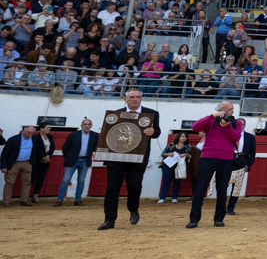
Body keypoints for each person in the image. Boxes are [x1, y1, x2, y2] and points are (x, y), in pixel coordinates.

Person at [99, 88, 160, 230]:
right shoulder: (115, 114)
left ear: (141, 99)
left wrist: (153, 132)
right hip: (116, 157)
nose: (135, 99)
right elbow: (108, 135)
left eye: (138, 97)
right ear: (125, 99)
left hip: (138, 157)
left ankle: (133, 208)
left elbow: (157, 131)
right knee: (112, 188)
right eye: (132, 97)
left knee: (134, 186)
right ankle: (109, 219)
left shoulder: (152, 114)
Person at [187, 101, 244, 228]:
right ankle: (194, 219)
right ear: (221, 110)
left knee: (222, 189)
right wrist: (212, 116)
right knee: (200, 188)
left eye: (232, 109)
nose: (232, 111)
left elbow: (235, 138)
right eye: (229, 109)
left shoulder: (236, 122)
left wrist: (227, 126)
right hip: (208, 157)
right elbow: (195, 127)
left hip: (226, 158)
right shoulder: (210, 120)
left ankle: (219, 218)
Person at [56, 118, 99, 206]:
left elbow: (95, 147)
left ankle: (78, 199)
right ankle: (59, 200)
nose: (87, 126)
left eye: (89, 124)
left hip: (85, 160)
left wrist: (94, 153)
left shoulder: (95, 135)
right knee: (65, 180)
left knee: (81, 180)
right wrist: (68, 157)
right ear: (81, 126)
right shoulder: (74, 134)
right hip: (72, 160)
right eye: (85, 124)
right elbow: (65, 147)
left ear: (91, 126)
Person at [1, 125, 45, 207]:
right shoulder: (13, 139)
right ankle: (6, 201)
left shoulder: (33, 139)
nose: (30, 135)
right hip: (14, 163)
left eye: (32, 134)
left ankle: (24, 200)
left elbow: (35, 151)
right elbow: (4, 153)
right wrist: (3, 165)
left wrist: (33, 162)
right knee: (10, 182)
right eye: (28, 133)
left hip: (27, 163)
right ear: (23, 131)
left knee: (27, 182)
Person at [224, 128, 256, 215]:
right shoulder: (228, 133)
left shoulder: (250, 137)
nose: (241, 126)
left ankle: (230, 207)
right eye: (239, 124)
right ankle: (221, 207)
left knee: (236, 187)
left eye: (243, 124)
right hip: (227, 162)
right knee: (223, 185)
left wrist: (248, 164)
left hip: (241, 165)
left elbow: (252, 153)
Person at [157, 132, 191, 204]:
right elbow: (163, 154)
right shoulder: (171, 145)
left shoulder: (188, 146)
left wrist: (185, 155)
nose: (184, 138)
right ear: (178, 137)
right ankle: (162, 198)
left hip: (180, 166)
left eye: (185, 137)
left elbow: (190, 156)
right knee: (166, 181)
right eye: (182, 136)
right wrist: (168, 154)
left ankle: (174, 198)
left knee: (177, 182)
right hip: (168, 165)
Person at [29, 123, 57, 203]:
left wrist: (48, 157)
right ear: (41, 129)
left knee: (41, 179)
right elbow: (35, 149)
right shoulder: (35, 137)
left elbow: (52, 148)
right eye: (47, 128)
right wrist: (43, 157)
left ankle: (35, 197)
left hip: (45, 161)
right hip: (37, 161)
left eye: (49, 128)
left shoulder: (50, 137)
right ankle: (26, 196)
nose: (49, 129)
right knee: (32, 179)